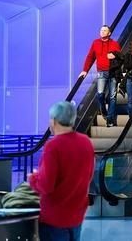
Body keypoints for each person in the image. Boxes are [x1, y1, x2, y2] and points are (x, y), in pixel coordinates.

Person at [29, 102, 94, 241]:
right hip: (76, 215)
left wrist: (33, 178)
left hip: (54, 218)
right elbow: (88, 176)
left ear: (54, 121)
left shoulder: (53, 146)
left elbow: (46, 185)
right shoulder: (86, 142)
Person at [79, 25, 121, 126]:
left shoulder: (114, 44)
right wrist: (85, 70)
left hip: (113, 73)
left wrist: (115, 55)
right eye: (101, 30)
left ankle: (110, 119)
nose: (102, 32)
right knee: (100, 93)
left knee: (112, 96)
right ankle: (103, 109)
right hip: (101, 72)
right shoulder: (95, 43)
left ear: (109, 33)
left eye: (105, 30)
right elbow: (90, 57)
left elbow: (121, 57)